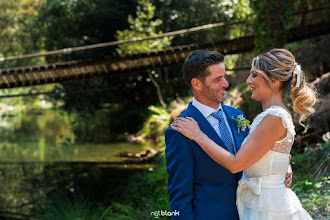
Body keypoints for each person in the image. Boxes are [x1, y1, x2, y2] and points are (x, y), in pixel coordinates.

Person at [171, 48, 316, 219]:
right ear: (197, 83)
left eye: (224, 77)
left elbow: (243, 160)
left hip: (260, 209)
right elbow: (179, 196)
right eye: (218, 79)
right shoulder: (180, 130)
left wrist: (281, 165)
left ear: (273, 81)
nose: (226, 83)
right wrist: (279, 164)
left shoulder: (238, 116)